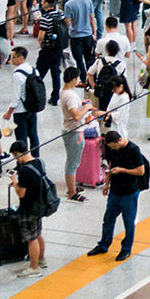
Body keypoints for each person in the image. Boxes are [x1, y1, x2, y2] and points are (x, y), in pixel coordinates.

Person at [86, 131, 146, 261]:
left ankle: (126, 249)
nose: (112, 149)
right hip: (115, 191)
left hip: (129, 193)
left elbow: (141, 171)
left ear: (119, 140)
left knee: (129, 223)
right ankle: (103, 244)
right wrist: (107, 184)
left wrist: (122, 170)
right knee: (108, 219)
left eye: (113, 146)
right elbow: (111, 165)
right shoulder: (113, 149)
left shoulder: (133, 150)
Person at [8, 141, 50, 277]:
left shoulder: (25, 170)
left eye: (15, 157)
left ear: (18, 154)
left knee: (31, 238)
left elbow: (21, 193)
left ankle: (34, 267)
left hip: (29, 207)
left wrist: (15, 182)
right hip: (40, 204)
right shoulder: (39, 161)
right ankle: (41, 259)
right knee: (38, 233)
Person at [59, 67, 92, 201]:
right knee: (73, 163)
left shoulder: (64, 90)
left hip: (68, 129)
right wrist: (86, 107)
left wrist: (81, 104)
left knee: (72, 161)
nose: (78, 80)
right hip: (74, 132)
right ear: (73, 79)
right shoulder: (71, 96)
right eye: (77, 78)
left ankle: (71, 186)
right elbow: (77, 116)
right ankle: (72, 192)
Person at [5, 47, 41, 156]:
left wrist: (8, 113)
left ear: (20, 58)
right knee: (33, 135)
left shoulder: (17, 75)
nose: (11, 60)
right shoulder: (34, 70)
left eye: (13, 57)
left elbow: (16, 97)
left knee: (21, 138)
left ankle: (22, 161)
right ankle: (35, 158)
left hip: (20, 111)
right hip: (32, 108)